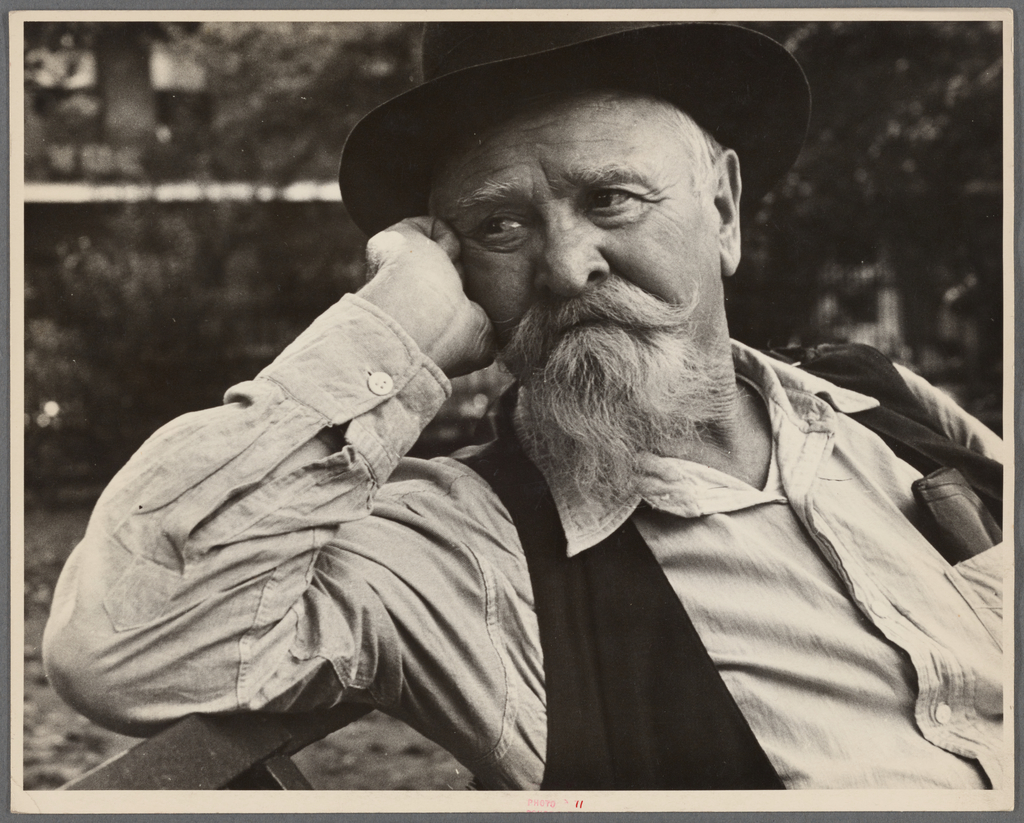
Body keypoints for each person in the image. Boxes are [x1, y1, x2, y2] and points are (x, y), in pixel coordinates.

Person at [43, 22, 1004, 791]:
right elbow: (120, 645)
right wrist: (390, 330)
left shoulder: (874, 405)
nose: (568, 266)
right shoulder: (464, 550)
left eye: (613, 199)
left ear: (723, 210)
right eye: (500, 226)